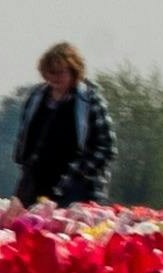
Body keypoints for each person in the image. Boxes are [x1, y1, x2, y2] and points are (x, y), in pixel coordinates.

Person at [11, 43, 119, 205]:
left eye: (60, 72)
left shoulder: (90, 100)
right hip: (35, 186)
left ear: (74, 71)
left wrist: (80, 173)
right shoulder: (36, 98)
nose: (54, 77)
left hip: (78, 190)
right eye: (50, 72)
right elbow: (25, 136)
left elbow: (106, 147)